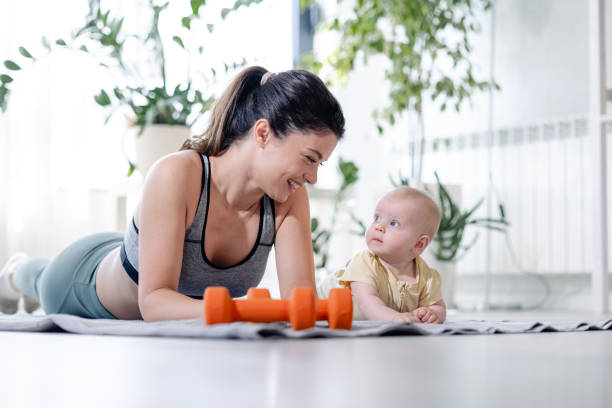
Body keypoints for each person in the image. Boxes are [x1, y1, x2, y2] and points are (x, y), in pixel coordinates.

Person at [0, 66, 345, 321]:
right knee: (39, 277)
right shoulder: (176, 174)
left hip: (130, 247)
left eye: (321, 165)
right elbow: (153, 304)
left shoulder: (287, 198)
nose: (313, 177)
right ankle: (15, 273)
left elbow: (299, 305)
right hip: (80, 281)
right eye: (309, 158)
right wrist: (247, 312)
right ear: (263, 133)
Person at [336, 186, 446, 323]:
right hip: (321, 305)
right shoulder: (364, 262)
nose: (379, 226)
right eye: (377, 218)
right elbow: (367, 301)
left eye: (394, 223)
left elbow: (438, 306)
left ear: (419, 244)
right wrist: (394, 318)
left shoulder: (426, 276)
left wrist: (432, 313)